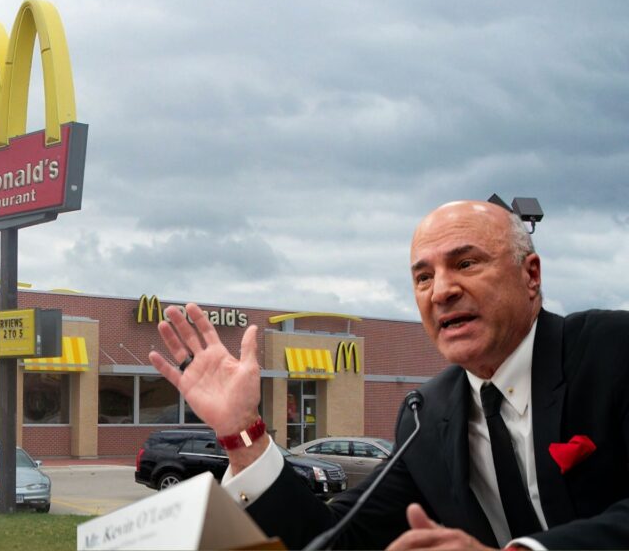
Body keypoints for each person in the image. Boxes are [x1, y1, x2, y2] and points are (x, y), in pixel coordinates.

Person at [149, 200, 629, 550]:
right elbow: (334, 539)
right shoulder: (428, 415)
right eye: (423, 277)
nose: (441, 291)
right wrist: (243, 435)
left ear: (531, 275)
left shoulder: (612, 350)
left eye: (466, 263)